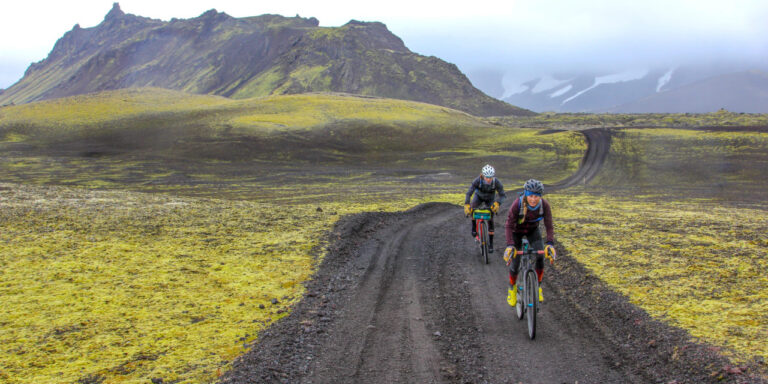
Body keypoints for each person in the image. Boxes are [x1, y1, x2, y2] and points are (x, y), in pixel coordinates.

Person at [503, 179, 557, 304]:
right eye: (531, 196)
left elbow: (549, 226)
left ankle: (537, 287)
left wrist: (550, 244)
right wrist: (510, 245)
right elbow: (508, 225)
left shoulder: (544, 205)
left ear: (540, 196)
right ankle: (512, 289)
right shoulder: (517, 204)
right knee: (515, 262)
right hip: (516, 232)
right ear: (526, 194)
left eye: (537, 196)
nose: (533, 199)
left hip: (533, 231)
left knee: (540, 256)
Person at [464, 164, 506, 252]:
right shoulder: (477, 180)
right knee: (473, 209)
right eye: (487, 177)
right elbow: (469, 193)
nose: (488, 179)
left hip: (490, 199)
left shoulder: (496, 182)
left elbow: (503, 195)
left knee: (490, 218)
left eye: (490, 177)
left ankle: (491, 244)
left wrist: (497, 203)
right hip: (478, 197)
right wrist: (467, 204)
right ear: (482, 175)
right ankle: (473, 227)